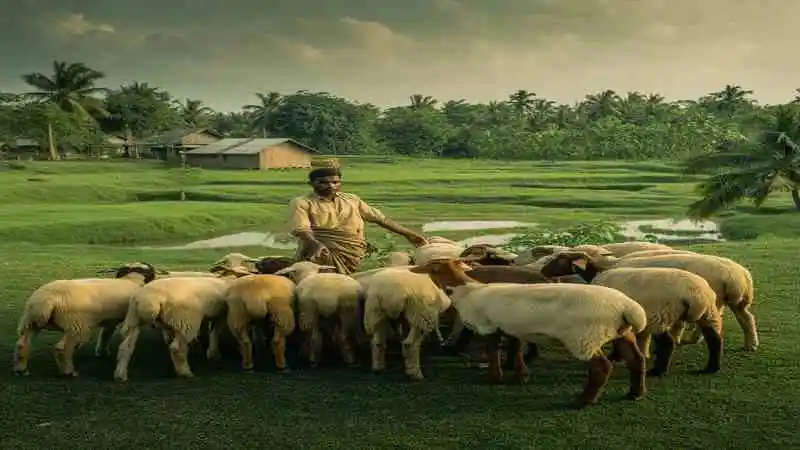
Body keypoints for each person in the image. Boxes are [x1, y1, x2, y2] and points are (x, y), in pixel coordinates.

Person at [287, 158, 428, 274]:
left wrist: (410, 235)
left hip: (354, 253)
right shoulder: (302, 202)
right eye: (323, 182)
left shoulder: (351, 199)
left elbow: (381, 219)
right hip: (321, 253)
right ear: (311, 183)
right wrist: (316, 245)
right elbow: (302, 229)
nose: (330, 186)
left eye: (335, 182)